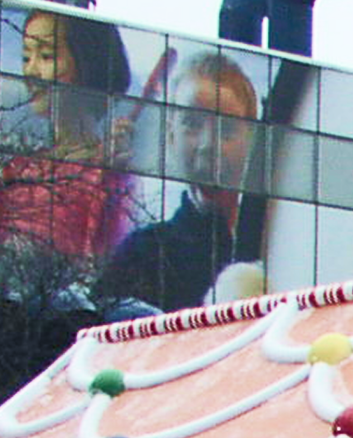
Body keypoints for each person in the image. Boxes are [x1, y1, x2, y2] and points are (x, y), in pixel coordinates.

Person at [97, 52, 262, 314]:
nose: (209, 144)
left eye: (226, 129)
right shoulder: (142, 254)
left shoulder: (276, 244)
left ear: (251, 142)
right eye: (192, 124)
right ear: (172, 136)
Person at [0, 9, 134, 273]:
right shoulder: (17, 169)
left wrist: (112, 179)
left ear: (87, 64)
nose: (31, 71)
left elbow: (108, 261)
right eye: (26, 57)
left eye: (46, 56)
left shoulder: (113, 172)